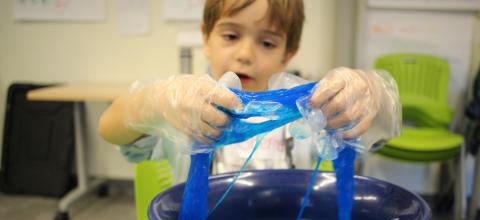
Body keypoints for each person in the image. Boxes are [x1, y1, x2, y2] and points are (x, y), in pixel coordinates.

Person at [98, 0, 400, 182]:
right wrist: (154, 103)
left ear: (288, 53)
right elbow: (110, 127)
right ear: (206, 38)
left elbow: (379, 133)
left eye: (266, 43)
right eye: (231, 35)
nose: (245, 54)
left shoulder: (311, 109)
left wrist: (373, 95)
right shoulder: (184, 108)